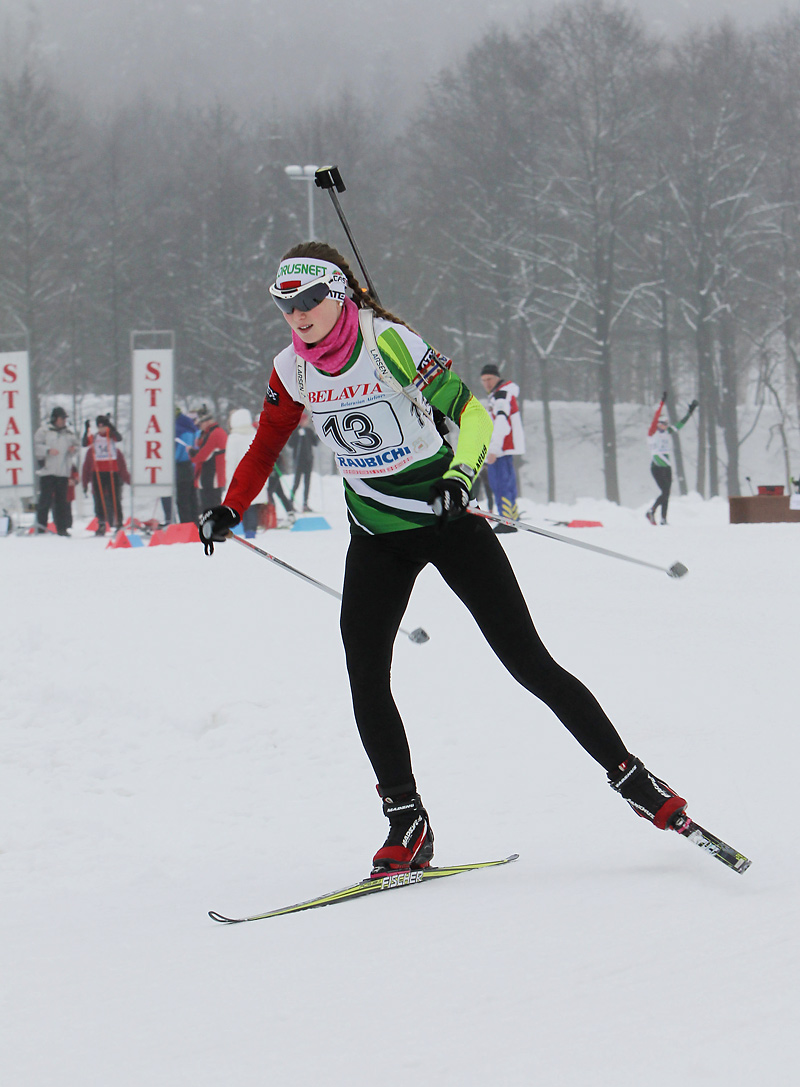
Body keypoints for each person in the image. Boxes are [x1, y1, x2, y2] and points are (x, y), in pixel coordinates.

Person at [199, 241, 691, 876]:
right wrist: (230, 506)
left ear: (338, 295)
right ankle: (407, 819)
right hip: (376, 531)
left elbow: (472, 415)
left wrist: (460, 478)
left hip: (444, 517)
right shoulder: (290, 370)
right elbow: (265, 445)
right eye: (284, 306)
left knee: (527, 660)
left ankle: (632, 778)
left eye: (308, 302)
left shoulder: (388, 343)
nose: (297, 317)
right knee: (365, 675)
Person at [479, 363, 525, 533]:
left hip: (501, 448)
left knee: (500, 484)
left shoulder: (501, 395)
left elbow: (501, 422)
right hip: (504, 448)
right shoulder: (502, 394)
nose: (487, 383)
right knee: (507, 484)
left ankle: (507, 520)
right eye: (483, 380)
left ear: (497, 377)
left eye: (489, 379)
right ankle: (512, 517)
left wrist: (494, 449)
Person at [646, 393, 698, 525]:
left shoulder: (667, 432)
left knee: (667, 493)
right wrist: (661, 403)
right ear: (658, 424)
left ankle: (663, 518)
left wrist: (690, 413)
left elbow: (679, 425)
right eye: (663, 423)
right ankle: (651, 511)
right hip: (657, 467)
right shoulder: (653, 432)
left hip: (667, 466)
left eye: (666, 423)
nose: (665, 425)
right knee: (664, 491)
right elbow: (655, 417)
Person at [33, 406, 79, 535]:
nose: (63, 421)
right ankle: (41, 527)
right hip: (48, 471)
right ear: (55, 419)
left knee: (61, 502)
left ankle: (62, 528)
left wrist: (73, 449)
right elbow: (37, 447)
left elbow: (77, 445)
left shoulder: (69, 433)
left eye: (64, 418)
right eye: (61, 418)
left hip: (63, 472)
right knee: (45, 501)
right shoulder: (44, 431)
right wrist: (48, 450)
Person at [81, 415, 130, 535]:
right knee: (99, 498)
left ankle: (118, 522)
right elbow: (84, 443)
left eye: (103, 426)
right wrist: (86, 429)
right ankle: (101, 522)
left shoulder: (111, 435)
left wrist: (111, 427)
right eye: (99, 427)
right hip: (97, 471)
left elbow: (119, 438)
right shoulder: (95, 437)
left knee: (115, 498)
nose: (101, 429)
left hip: (111, 470)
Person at [190, 408, 227, 511]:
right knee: (213, 506)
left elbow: (202, 456)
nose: (199, 427)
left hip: (211, 477)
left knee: (210, 507)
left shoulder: (214, 434)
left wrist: (191, 453)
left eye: (200, 423)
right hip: (212, 476)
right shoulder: (217, 432)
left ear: (206, 421)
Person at [289, 409, 318, 511]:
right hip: (298, 461)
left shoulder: (309, 431)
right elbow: (290, 444)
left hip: (308, 461)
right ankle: (290, 502)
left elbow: (315, 443)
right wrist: (297, 435)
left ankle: (305, 503)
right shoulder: (296, 431)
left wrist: (318, 433)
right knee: (296, 483)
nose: (305, 422)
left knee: (307, 483)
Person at [174, 407, 199, 524]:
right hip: (191, 465)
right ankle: (195, 523)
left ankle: (186, 524)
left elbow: (177, 453)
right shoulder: (191, 428)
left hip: (180, 467)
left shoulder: (178, 430)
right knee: (192, 497)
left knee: (182, 499)